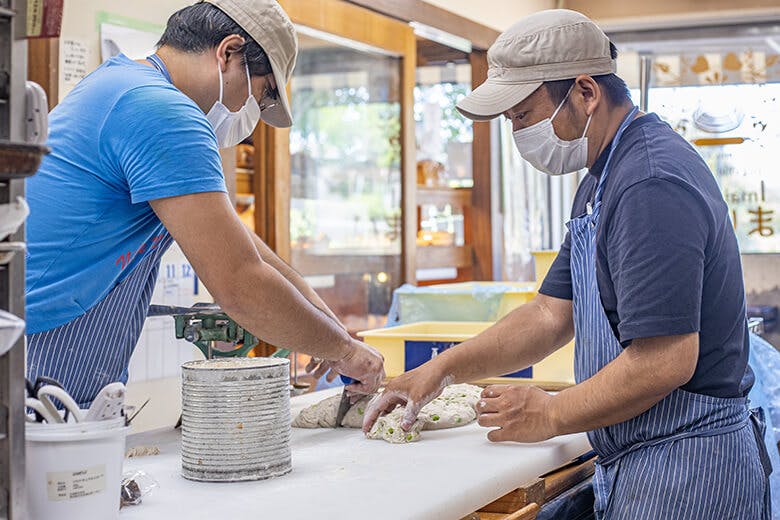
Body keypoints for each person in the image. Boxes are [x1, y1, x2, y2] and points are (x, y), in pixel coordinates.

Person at [363, 9, 771, 519]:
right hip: (643, 456)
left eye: (523, 115)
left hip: (688, 468)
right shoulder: (602, 177)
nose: (518, 133)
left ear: (584, 91)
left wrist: (551, 411)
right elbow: (550, 313)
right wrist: (442, 369)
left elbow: (665, 360)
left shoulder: (649, 182)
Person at [25, 0, 384, 407]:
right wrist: (348, 353)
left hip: (44, 343)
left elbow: (241, 247)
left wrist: (325, 324)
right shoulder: (164, 112)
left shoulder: (123, 83)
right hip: (38, 350)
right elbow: (242, 284)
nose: (250, 114)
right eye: (261, 95)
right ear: (228, 53)